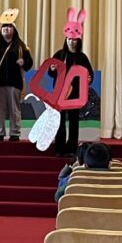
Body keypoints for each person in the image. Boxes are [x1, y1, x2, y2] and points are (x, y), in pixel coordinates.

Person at [0, 8, 33, 142]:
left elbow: (29, 63)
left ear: (14, 30)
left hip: (15, 83)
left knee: (15, 110)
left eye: (9, 26)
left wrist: (23, 62)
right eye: (4, 26)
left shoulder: (21, 46)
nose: (6, 29)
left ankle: (15, 133)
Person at [48, 8, 94, 158]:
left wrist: (88, 79)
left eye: (73, 40)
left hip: (75, 95)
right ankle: (59, 148)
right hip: (60, 94)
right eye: (68, 39)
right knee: (59, 122)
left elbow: (89, 74)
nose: (71, 42)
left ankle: (72, 149)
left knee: (74, 123)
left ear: (78, 41)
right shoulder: (59, 54)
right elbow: (50, 73)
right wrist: (52, 69)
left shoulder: (82, 57)